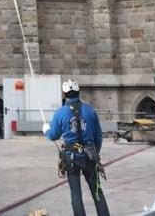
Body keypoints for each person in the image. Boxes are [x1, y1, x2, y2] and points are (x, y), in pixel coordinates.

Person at [43, 79, 110, 216]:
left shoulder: (60, 113)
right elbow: (98, 137)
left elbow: (53, 136)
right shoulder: (90, 111)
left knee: (76, 193)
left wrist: (46, 130)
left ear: (64, 94)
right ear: (78, 93)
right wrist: (94, 152)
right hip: (89, 156)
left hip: (71, 158)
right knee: (97, 191)